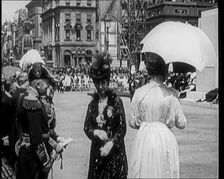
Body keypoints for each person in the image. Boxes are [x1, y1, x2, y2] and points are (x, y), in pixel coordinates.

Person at [129, 52, 187, 178]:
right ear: (165, 71)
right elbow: (182, 123)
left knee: (144, 172)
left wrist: (145, 122)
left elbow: (132, 122)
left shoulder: (139, 93)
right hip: (164, 140)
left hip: (144, 139)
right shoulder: (171, 94)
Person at [15, 57, 65, 179]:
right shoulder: (31, 100)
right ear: (38, 84)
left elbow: (44, 132)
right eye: (46, 83)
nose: (48, 87)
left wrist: (55, 142)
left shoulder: (34, 97)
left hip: (33, 156)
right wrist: (45, 161)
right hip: (32, 158)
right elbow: (36, 138)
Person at [84, 52, 128, 179]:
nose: (100, 87)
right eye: (97, 83)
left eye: (103, 83)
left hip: (114, 155)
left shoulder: (116, 102)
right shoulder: (93, 104)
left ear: (108, 81)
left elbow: (122, 128)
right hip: (97, 154)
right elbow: (86, 126)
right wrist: (95, 132)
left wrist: (110, 144)